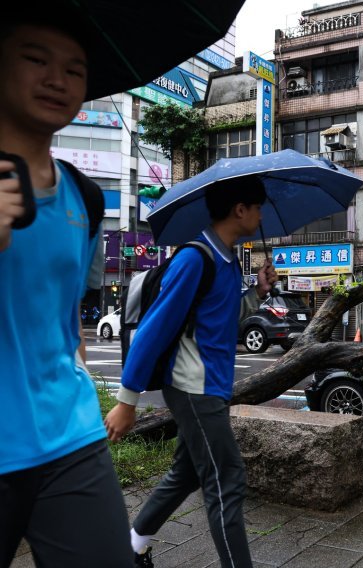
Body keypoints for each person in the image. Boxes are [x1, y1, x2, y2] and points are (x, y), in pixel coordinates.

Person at [0, 10, 133, 568]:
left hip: (70, 436)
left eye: (74, 69)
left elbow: (65, 317)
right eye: (35, 59)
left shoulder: (86, 196)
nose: (57, 79)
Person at [104, 176, 278, 568]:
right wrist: (127, 400)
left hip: (210, 386)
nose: (261, 214)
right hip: (192, 386)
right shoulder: (193, 258)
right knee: (227, 478)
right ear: (240, 210)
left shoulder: (227, 260)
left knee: (188, 471)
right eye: (258, 206)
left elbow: (222, 320)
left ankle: (133, 545)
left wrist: (258, 293)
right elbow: (154, 328)